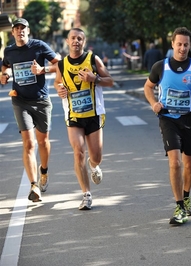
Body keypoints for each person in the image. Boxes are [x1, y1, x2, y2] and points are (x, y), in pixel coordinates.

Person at [143, 27, 191, 225]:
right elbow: (148, 87)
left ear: (190, 46)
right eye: (179, 44)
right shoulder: (161, 66)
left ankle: (187, 196)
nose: (182, 48)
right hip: (168, 119)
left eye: (186, 45)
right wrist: (153, 103)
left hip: (190, 119)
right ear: (172, 44)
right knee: (175, 162)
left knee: (189, 164)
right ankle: (179, 206)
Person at [54, 28, 114, 210]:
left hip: (93, 115)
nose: (76, 41)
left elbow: (110, 81)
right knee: (78, 150)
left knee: (96, 156)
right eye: (73, 38)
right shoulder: (62, 64)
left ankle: (93, 166)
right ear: (67, 41)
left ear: (84, 41)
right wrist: (59, 89)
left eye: (79, 38)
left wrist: (94, 78)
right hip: (74, 115)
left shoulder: (93, 59)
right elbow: (58, 82)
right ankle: (86, 194)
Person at [1, 18, 60, 202]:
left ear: (28, 30)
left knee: (43, 142)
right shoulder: (9, 50)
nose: (20, 31)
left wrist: (43, 69)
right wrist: (3, 75)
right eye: (16, 29)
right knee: (29, 144)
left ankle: (44, 171)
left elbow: (60, 64)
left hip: (41, 100)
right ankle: (34, 185)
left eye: (23, 28)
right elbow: (4, 66)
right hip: (20, 100)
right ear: (12, 33)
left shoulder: (39, 46)